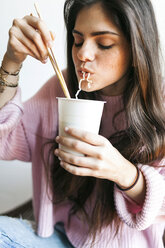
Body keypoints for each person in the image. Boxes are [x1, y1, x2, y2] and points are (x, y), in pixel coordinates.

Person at [0, 0, 164, 247]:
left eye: (104, 43)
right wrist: (11, 63)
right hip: (62, 238)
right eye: (78, 40)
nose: (82, 54)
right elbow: (5, 140)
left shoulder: (159, 99)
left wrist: (124, 173)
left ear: (136, 48)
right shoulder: (63, 86)